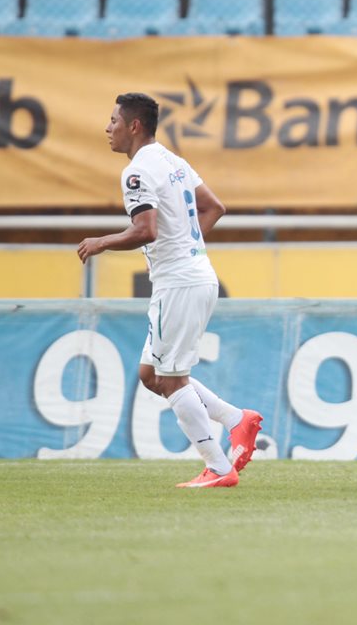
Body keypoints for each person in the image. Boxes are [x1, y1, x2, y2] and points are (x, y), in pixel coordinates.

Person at [78, 93, 263, 489]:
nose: (107, 128)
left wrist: (101, 242)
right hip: (193, 276)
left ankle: (218, 468)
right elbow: (214, 207)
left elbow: (145, 230)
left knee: (172, 380)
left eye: (113, 121)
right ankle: (236, 419)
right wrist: (185, 247)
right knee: (151, 374)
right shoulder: (172, 161)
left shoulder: (137, 172)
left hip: (179, 283)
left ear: (134, 126)